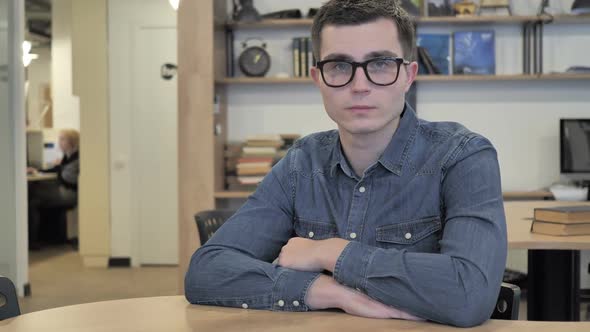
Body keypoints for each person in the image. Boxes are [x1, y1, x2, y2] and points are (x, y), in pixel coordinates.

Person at [185, 0, 507, 327]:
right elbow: (206, 271)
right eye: (339, 66)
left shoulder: (463, 156)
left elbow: (471, 295)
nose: (359, 85)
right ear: (318, 78)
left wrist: (329, 252)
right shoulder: (300, 164)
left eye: (380, 64)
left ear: (408, 75)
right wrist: (326, 291)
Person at [28, 129, 80, 250]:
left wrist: (60, 168)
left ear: (72, 142)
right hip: (66, 191)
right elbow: (59, 171)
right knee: (34, 194)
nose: (59, 142)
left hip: (70, 194)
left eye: (62, 139)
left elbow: (68, 178)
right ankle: (42, 238)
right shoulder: (68, 156)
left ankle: (32, 241)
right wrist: (39, 171)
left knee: (32, 198)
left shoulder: (77, 157)